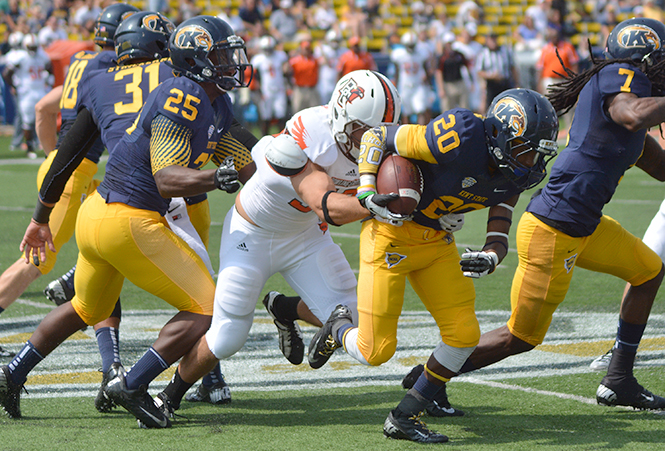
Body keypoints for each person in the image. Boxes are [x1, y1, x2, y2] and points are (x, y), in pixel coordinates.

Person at [1, 15, 254, 428]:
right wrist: (215, 176)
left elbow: (248, 160)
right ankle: (134, 383)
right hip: (136, 215)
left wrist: (300, 177)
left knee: (85, 306)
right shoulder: (184, 92)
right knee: (209, 306)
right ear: (195, 59)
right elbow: (168, 177)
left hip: (96, 215)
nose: (232, 62)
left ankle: (12, 371)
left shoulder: (211, 102)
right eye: (223, 56)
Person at [409, 16, 665, 415]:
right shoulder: (620, 80)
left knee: (648, 271)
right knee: (521, 337)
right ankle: (428, 378)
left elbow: (659, 163)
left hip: (584, 224)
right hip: (554, 228)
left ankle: (619, 379)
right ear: (644, 57)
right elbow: (631, 112)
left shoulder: (627, 116)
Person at [308, 88, 560, 442]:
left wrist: (491, 255)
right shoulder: (461, 135)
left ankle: (404, 416)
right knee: (375, 350)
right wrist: (366, 190)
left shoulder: (515, 172)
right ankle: (338, 327)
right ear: (503, 135)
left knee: (464, 335)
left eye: (539, 153)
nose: (533, 160)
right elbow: (377, 135)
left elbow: (501, 217)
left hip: (436, 242)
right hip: (390, 235)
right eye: (526, 149)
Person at [152, 70, 402, 412]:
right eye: (364, 128)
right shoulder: (311, 133)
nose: (371, 138)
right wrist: (370, 206)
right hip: (252, 236)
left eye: (380, 131)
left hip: (305, 238)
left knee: (357, 323)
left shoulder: (375, 143)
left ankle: (284, 308)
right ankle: (170, 395)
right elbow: (324, 204)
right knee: (228, 333)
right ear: (342, 115)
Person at [0, 3, 140, 362]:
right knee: (33, 262)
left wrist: (54, 161)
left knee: (107, 232)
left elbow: (43, 109)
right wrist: (65, 170)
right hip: (73, 174)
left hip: (69, 171)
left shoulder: (82, 62)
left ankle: (77, 278)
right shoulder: (113, 66)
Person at [2, 32, 52, 159]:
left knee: (45, 118)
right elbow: (6, 73)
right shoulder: (21, 57)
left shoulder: (42, 56)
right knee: (27, 120)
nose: (33, 50)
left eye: (34, 47)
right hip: (27, 92)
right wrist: (14, 86)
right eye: (31, 47)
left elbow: (50, 68)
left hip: (40, 90)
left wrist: (48, 82)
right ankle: (29, 147)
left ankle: (45, 145)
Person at [390, 31, 434, 125]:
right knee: (406, 112)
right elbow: (397, 72)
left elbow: (426, 70)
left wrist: (430, 86)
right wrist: (396, 87)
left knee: (421, 109)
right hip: (405, 85)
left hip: (418, 85)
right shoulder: (399, 55)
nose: (410, 47)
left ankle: (421, 133)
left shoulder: (421, 53)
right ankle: (408, 134)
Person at [251, 35, 289, 135]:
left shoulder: (280, 56)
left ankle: (282, 137)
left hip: (279, 89)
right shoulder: (258, 59)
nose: (268, 51)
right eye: (266, 49)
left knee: (281, 116)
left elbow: (286, 70)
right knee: (265, 117)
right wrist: (258, 90)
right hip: (266, 91)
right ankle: (264, 137)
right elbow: (255, 76)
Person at [476, 32, 518, 111]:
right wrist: (491, 76)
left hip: (505, 82)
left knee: (508, 105)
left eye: (494, 39)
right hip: (491, 84)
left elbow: (512, 67)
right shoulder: (483, 53)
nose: (493, 42)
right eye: (491, 39)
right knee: (491, 106)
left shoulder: (505, 51)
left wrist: (516, 82)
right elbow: (479, 71)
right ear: (487, 41)